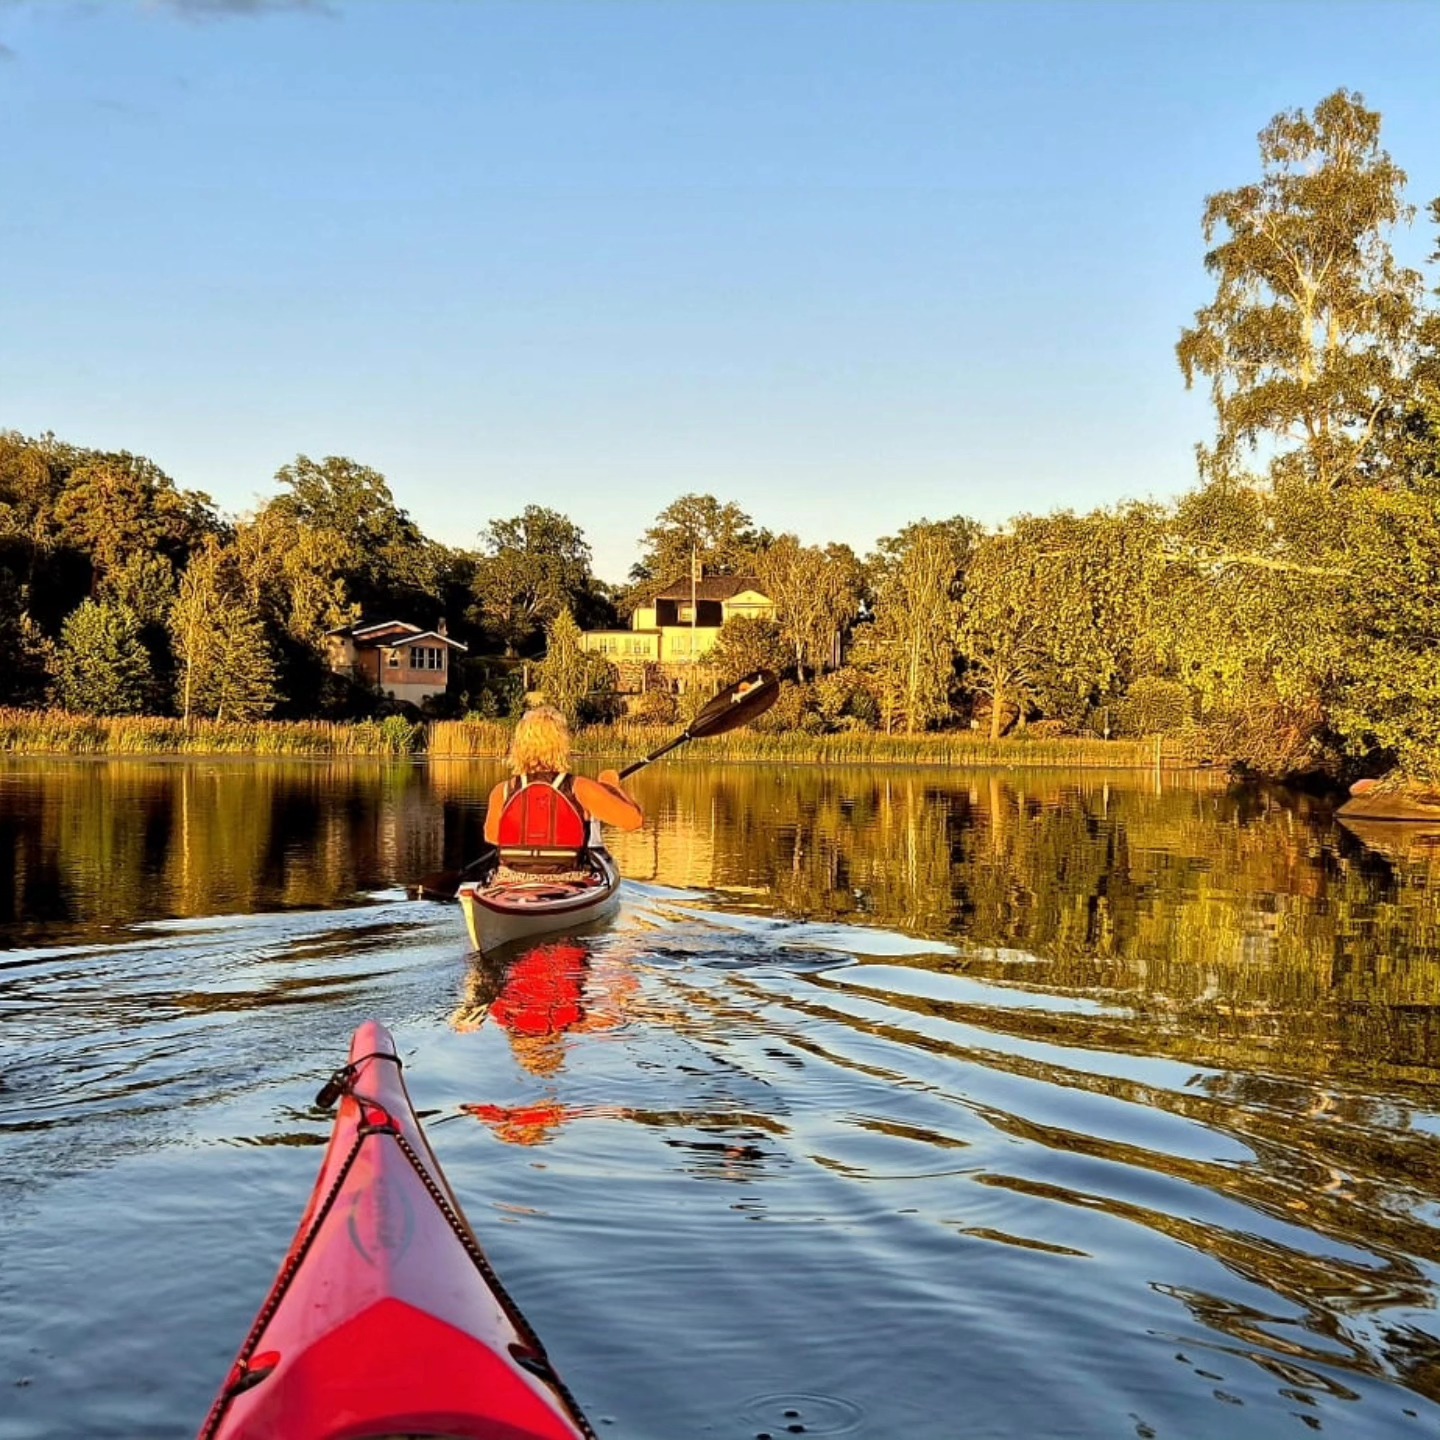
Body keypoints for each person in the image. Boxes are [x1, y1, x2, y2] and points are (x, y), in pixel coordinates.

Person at [483, 706, 643, 880]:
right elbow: (634, 821)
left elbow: (492, 836)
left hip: (512, 878)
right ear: (562, 745)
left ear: (519, 746)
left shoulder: (502, 791)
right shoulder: (580, 788)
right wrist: (612, 787)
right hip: (569, 878)